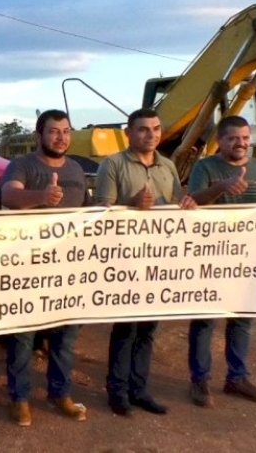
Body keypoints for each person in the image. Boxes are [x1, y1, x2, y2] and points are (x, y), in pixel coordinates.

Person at [94, 108, 196, 417]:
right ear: (129, 133)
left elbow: (174, 207)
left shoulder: (168, 166)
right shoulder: (113, 164)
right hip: (126, 261)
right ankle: (117, 392)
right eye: (143, 129)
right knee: (125, 328)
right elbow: (102, 212)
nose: (151, 134)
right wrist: (132, 205)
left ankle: (139, 390)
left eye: (156, 128)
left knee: (148, 330)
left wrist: (187, 204)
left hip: (158, 261)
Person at [186, 115, 256, 408]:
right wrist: (223, 186)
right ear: (220, 141)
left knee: (243, 319)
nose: (240, 143)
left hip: (250, 258)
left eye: (244, 137)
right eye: (233, 138)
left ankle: (237, 378)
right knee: (205, 319)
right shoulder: (205, 167)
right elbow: (193, 202)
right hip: (211, 257)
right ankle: (199, 380)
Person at [0, 109, 89, 426]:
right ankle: (19, 399)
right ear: (39, 136)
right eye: (54, 131)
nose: (61, 137)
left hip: (68, 268)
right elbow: (9, 195)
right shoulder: (22, 165)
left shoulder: (76, 168)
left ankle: (60, 393)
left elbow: (88, 211)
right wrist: (41, 196)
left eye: (66, 131)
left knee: (66, 336)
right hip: (29, 267)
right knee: (24, 336)